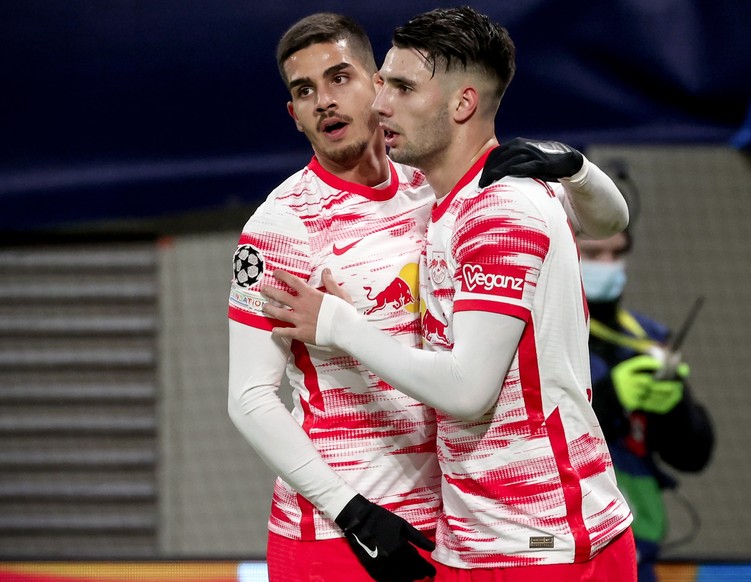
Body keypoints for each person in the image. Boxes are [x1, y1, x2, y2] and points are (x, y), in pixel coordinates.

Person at [227, 11, 630, 582]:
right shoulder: (280, 228)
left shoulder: (444, 188)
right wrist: (349, 510)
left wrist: (576, 166)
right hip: (342, 530)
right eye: (304, 91)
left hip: (457, 529)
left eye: (341, 78)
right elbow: (248, 396)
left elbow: (608, 221)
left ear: (378, 86)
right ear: (293, 115)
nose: (323, 101)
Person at [577, 227, 714, 582]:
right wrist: (608, 398)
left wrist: (675, 407)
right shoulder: (539, 331)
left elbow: (693, 455)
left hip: (639, 537)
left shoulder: (647, 337)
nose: (608, 265)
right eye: (593, 255)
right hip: (566, 533)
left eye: (616, 253)